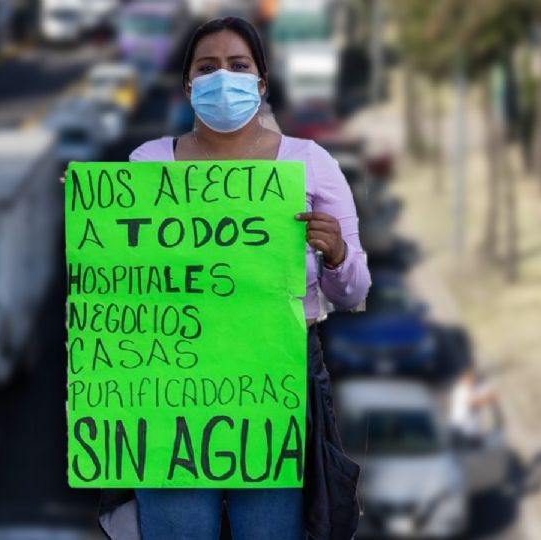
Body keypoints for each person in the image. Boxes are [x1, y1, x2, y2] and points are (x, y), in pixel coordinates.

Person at [93, 17, 372, 540]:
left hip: (273, 384)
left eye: (238, 66)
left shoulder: (310, 163)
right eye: (207, 67)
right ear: (188, 86)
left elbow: (355, 291)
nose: (223, 77)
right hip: (170, 384)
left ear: (261, 83)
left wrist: (335, 254)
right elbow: (120, 285)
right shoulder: (147, 164)